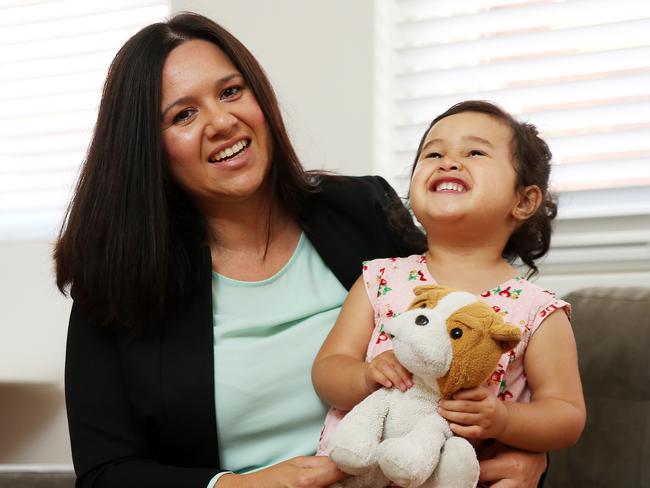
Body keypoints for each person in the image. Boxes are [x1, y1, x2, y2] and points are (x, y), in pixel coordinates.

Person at [53, 10, 548, 488]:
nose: (222, 121)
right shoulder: (115, 284)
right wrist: (237, 487)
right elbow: (105, 472)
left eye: (231, 91)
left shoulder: (360, 209)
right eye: (183, 114)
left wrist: (529, 453)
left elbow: (488, 327)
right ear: (149, 148)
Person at [313, 101, 586, 480]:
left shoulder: (537, 311)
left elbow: (566, 415)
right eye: (434, 153)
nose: (448, 162)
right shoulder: (380, 279)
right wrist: (364, 376)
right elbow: (327, 370)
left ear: (523, 200)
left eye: (474, 152)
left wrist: (503, 419)